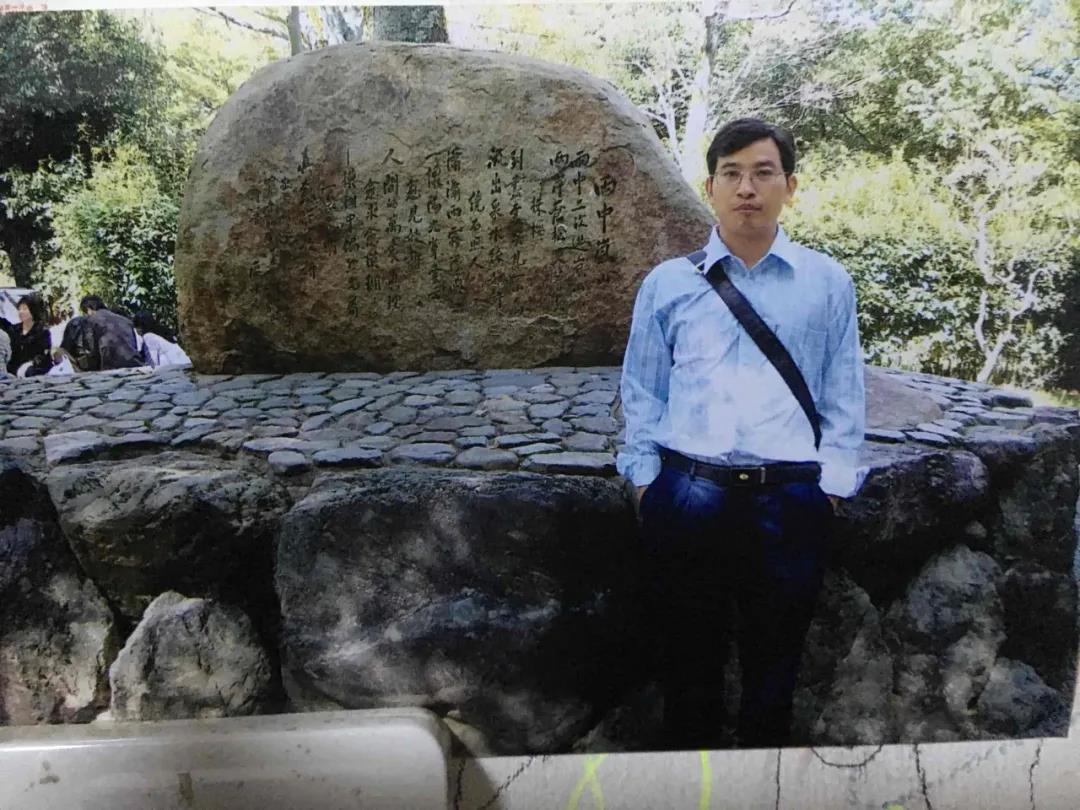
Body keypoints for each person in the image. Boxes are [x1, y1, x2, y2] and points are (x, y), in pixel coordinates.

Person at [618, 118, 866, 750]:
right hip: (688, 494)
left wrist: (832, 487)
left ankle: (763, 787)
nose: (746, 188)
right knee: (686, 675)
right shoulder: (668, 283)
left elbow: (843, 393)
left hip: (790, 499)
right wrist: (646, 482)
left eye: (762, 173)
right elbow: (643, 390)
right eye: (731, 174)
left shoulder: (826, 282)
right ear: (711, 187)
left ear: (790, 185)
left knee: (774, 677)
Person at [79, 295, 146, 370]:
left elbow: (91, 351)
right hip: (136, 365)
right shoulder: (126, 320)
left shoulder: (90, 320)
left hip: (112, 368)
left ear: (88, 309)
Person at [4, 295, 53, 377]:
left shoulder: (43, 332)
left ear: (33, 311)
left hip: (33, 370)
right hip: (13, 370)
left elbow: (43, 355)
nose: (21, 312)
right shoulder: (14, 329)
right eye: (19, 309)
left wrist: (30, 364)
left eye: (25, 309)